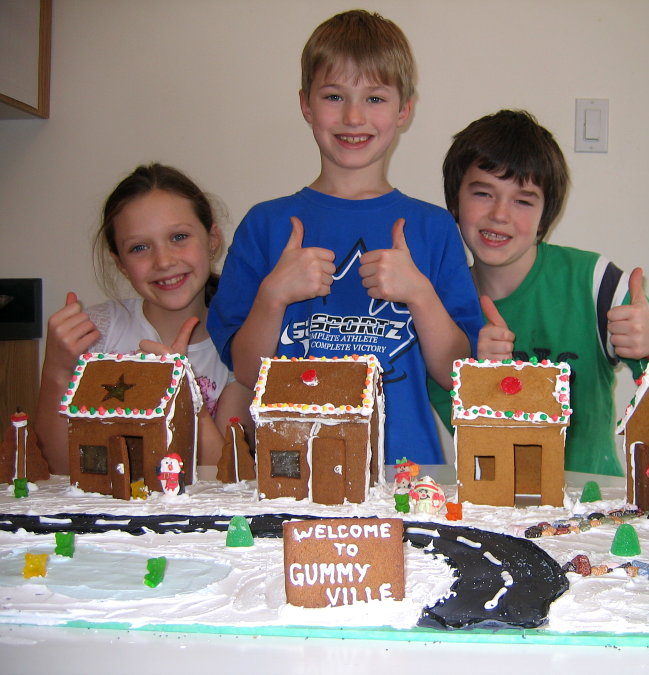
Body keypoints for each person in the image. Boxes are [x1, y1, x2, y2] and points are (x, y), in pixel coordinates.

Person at [207, 10, 481, 465]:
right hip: (293, 469)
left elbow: (456, 375)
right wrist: (273, 296)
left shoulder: (433, 228)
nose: (354, 116)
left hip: (406, 469)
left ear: (404, 109)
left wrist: (419, 294)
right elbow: (247, 373)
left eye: (375, 98)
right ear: (306, 105)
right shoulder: (264, 224)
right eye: (334, 96)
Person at [429, 110, 649, 476]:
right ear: (455, 201)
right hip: (487, 503)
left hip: (595, 501)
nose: (500, 214)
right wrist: (479, 377)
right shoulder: (436, 313)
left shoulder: (596, 284)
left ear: (546, 215)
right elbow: (472, 440)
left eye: (523, 200)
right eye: (483, 193)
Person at [35, 164, 252, 474]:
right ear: (120, 263)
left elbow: (228, 479)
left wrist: (185, 394)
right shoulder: (94, 334)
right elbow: (58, 471)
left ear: (212, 238)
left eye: (179, 237)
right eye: (139, 247)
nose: (163, 261)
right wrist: (57, 370)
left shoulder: (241, 346)